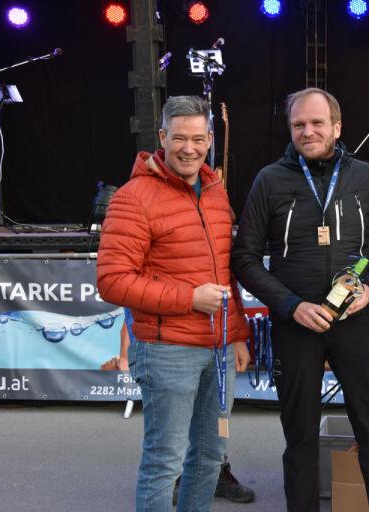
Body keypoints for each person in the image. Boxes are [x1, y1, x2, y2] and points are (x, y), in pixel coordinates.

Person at [231, 87, 369, 512]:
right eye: (299, 124)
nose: (307, 131)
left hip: (354, 323)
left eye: (317, 123)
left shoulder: (365, 176)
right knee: (300, 440)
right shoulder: (270, 180)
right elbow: (244, 258)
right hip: (295, 326)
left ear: (337, 127)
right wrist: (291, 305)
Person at [96, 95, 251, 512]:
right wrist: (189, 299)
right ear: (163, 137)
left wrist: (236, 333)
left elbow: (225, 272)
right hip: (167, 351)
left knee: (210, 456)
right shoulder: (133, 197)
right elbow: (111, 281)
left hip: (218, 349)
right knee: (164, 461)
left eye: (198, 139)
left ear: (210, 140)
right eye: (180, 138)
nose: (189, 148)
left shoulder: (215, 192)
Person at [99, 312, 256, 504]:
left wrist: (237, 336)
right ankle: (179, 475)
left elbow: (228, 295)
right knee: (166, 455)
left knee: (211, 445)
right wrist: (127, 353)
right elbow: (125, 297)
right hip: (164, 343)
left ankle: (216, 472)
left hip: (215, 342)